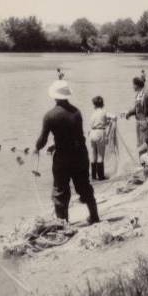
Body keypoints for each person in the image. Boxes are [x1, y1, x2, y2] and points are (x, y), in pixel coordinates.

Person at [35, 80, 100, 224]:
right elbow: (74, 136)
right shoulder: (76, 112)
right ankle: (94, 216)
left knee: (60, 191)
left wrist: (37, 147)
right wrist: (55, 145)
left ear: (54, 96)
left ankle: (63, 224)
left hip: (63, 158)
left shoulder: (50, 116)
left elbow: (42, 140)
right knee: (84, 186)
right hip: (80, 155)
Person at [125, 76, 148, 152]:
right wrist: (129, 113)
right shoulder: (138, 95)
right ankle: (142, 162)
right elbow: (137, 109)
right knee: (140, 144)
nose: (132, 87)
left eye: (133, 85)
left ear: (137, 85)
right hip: (139, 123)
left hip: (147, 122)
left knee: (146, 143)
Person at [88, 95, 114, 180]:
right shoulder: (104, 112)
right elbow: (114, 117)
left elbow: (93, 123)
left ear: (94, 104)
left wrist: (105, 122)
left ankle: (93, 176)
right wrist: (109, 122)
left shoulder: (93, 113)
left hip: (92, 133)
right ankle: (101, 176)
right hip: (100, 132)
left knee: (93, 154)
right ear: (102, 103)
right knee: (100, 155)